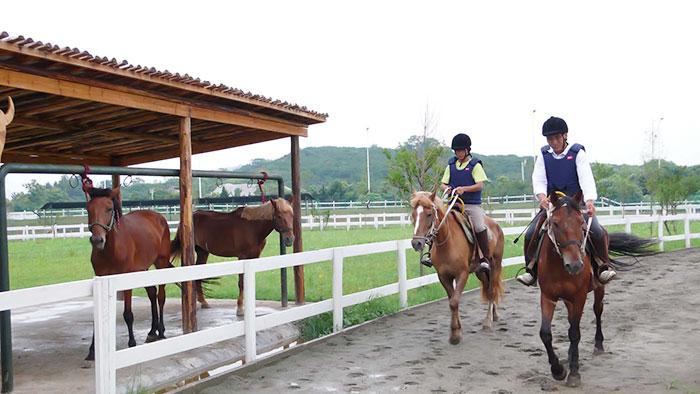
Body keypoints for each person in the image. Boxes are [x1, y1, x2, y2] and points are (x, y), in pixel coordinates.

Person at [516, 116, 617, 286]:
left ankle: (602, 266)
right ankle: (531, 270)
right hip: (553, 205)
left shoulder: (577, 153)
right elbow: (539, 179)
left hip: (576, 204)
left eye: (556, 137)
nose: (553, 142)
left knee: (597, 231)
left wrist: (590, 201)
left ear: (564, 136)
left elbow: (586, 178)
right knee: (531, 232)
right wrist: (541, 197)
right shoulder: (543, 155)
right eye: (550, 139)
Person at [421, 133, 491, 274]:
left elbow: (480, 185)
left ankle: (484, 258)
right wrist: (447, 188)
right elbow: (443, 183)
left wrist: (464, 189)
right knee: (437, 221)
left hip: (471, 204)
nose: (458, 153)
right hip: (453, 203)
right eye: (456, 151)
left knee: (478, 225)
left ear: (467, 150)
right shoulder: (451, 165)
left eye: (460, 150)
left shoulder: (475, 165)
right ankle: (430, 254)